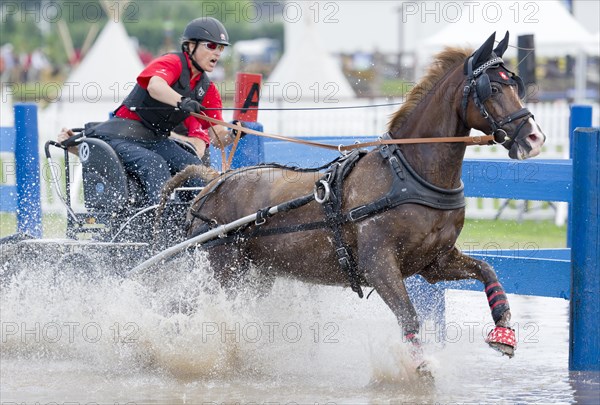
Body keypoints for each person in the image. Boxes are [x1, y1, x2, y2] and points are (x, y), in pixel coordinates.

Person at [60, 17, 243, 205]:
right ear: (190, 46)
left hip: (155, 139)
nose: (218, 53)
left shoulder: (208, 90)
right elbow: (155, 86)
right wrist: (182, 101)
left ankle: (198, 222)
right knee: (154, 165)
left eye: (221, 48)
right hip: (122, 136)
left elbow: (216, 137)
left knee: (196, 169)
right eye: (211, 46)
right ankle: (159, 227)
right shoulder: (172, 62)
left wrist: (233, 133)